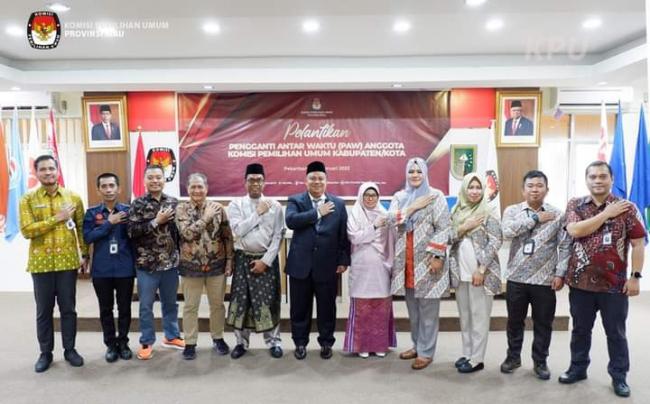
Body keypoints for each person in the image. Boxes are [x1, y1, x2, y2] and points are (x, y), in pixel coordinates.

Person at [558, 161, 645, 398]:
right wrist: (606, 214)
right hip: (580, 283)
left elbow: (638, 244)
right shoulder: (575, 204)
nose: (598, 180)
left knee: (616, 333)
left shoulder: (627, 208)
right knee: (580, 330)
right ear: (586, 180)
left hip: (614, 285)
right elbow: (575, 230)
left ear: (612, 179)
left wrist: (636, 277)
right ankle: (577, 368)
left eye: (603, 176)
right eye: (593, 176)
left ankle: (619, 376)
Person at [19, 155, 88, 373]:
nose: (48, 172)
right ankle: (45, 353)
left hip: (67, 263)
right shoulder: (27, 199)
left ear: (57, 170)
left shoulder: (73, 197)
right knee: (44, 311)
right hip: (41, 264)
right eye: (43, 169)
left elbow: (81, 228)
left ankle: (70, 350)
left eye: (51, 168)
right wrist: (56, 218)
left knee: (68, 309)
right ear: (36, 173)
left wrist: (85, 254)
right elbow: (27, 230)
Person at [500, 170, 570, 380]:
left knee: (543, 323)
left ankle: (540, 361)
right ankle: (513, 357)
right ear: (523, 190)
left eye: (539, 186)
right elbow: (506, 232)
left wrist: (560, 274)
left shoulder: (557, 215)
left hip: (544, 279)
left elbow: (565, 246)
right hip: (516, 278)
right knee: (514, 321)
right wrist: (535, 218)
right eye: (530, 186)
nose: (535, 189)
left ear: (547, 190)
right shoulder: (512, 211)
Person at [387, 157, 450, 370]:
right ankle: (417, 345)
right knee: (413, 312)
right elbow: (390, 219)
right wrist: (412, 207)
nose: (415, 175)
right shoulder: (399, 197)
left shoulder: (435, 196)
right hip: (406, 264)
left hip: (427, 262)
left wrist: (438, 256)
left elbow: (444, 227)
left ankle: (426, 352)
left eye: (419, 171)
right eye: (411, 171)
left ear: (425, 173)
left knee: (428, 312)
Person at [285, 161, 351, 360]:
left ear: (326, 181)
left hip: (327, 265)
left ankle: (326, 343)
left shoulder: (338, 204)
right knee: (299, 308)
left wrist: (343, 260)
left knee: (327, 307)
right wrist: (317, 212)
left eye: (320, 178)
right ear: (306, 181)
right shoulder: (295, 200)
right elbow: (291, 221)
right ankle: (300, 343)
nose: (316, 181)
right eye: (312, 178)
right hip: (300, 265)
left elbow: (342, 235)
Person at [226, 163, 285, 359]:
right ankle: (241, 343)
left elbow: (278, 236)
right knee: (242, 302)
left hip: (266, 261)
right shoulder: (235, 205)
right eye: (251, 180)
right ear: (245, 182)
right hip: (243, 259)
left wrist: (266, 261)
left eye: (259, 180)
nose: (255, 183)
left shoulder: (275, 206)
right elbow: (238, 230)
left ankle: (274, 342)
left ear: (264, 182)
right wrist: (257, 213)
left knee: (269, 301)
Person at [128, 165, 184, 360]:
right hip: (147, 265)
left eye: (158, 177)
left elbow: (178, 233)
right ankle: (146, 341)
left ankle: (171, 336)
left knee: (170, 303)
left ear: (164, 179)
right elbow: (131, 231)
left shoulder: (173, 202)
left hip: (170, 264)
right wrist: (155, 221)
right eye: (151, 177)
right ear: (144, 180)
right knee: (146, 306)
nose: (155, 181)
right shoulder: (138, 203)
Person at [176, 172, 233, 360]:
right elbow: (187, 234)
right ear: (188, 189)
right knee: (190, 306)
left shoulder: (219, 208)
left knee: (217, 305)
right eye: (193, 187)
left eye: (200, 186)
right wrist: (206, 218)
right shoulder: (181, 209)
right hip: (190, 266)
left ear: (206, 189)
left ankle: (218, 338)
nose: (197, 190)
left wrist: (229, 260)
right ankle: (190, 342)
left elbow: (227, 236)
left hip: (217, 265)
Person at [448, 173, 502, 373]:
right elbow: (449, 237)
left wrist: (481, 269)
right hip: (460, 272)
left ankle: (477, 359)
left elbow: (496, 241)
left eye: (478, 187)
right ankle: (467, 353)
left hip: (481, 274)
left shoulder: (489, 211)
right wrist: (464, 227)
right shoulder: (456, 211)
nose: (474, 191)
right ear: (464, 189)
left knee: (479, 316)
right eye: (470, 187)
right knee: (465, 316)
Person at [83, 173, 135, 363]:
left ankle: (123, 342)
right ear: (99, 190)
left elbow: (135, 237)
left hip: (124, 268)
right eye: (104, 186)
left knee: (124, 308)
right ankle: (111, 344)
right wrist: (108, 223)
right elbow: (88, 237)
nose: (108, 190)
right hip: (102, 269)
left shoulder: (128, 212)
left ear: (118, 188)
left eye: (112, 185)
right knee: (106, 309)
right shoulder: (92, 213)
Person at [343, 182, 396, 358]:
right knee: (363, 306)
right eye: (367, 195)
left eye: (373, 195)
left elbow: (392, 240)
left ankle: (379, 345)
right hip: (361, 266)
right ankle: (362, 346)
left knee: (380, 305)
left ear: (378, 197)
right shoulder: (355, 214)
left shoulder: (385, 214)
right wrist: (373, 226)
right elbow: (355, 238)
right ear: (361, 196)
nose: (370, 198)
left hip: (381, 266)